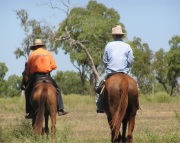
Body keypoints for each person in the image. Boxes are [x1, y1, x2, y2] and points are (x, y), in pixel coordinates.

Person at [95, 25, 135, 113]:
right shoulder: (127, 46)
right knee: (136, 85)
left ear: (113, 36)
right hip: (124, 72)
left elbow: (105, 60)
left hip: (110, 72)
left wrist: (108, 67)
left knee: (98, 86)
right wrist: (127, 66)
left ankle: (100, 106)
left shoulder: (108, 45)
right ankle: (135, 104)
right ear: (122, 35)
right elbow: (131, 60)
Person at [23, 39, 67, 118]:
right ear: (42, 45)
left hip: (36, 76)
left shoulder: (32, 54)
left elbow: (28, 68)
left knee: (28, 91)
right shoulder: (48, 53)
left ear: (35, 46)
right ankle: (60, 109)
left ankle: (30, 112)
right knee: (57, 90)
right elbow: (54, 66)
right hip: (47, 76)